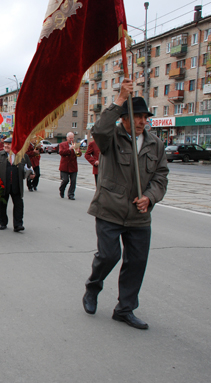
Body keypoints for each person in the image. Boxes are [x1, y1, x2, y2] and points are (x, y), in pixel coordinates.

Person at [82, 78, 169, 330]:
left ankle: (125, 309)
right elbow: (99, 130)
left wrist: (150, 197)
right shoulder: (112, 138)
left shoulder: (155, 143)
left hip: (139, 215)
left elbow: (161, 175)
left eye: (145, 117)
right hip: (110, 208)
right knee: (109, 255)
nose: (142, 121)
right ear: (124, 117)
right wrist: (120, 98)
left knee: (136, 262)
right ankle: (93, 287)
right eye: (137, 116)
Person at [0, 137, 34, 232]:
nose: (6, 145)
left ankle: (18, 225)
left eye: (9, 144)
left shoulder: (22, 156)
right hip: (3, 185)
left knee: (19, 205)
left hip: (17, 185)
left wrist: (31, 175)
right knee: (2, 205)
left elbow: (29, 168)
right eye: (5, 144)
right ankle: (2, 223)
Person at [58, 132, 80, 200]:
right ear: (67, 138)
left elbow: (79, 154)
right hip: (65, 166)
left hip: (73, 166)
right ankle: (62, 189)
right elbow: (61, 152)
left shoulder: (75, 144)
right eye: (70, 138)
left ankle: (71, 194)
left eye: (72, 138)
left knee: (73, 181)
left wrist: (78, 151)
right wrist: (69, 149)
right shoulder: (62, 144)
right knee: (65, 180)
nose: (71, 139)